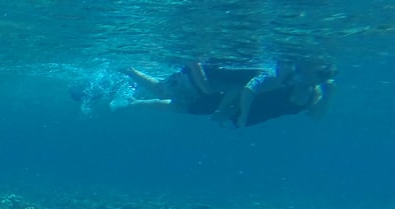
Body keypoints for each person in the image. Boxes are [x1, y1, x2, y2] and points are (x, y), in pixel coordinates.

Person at [114, 59, 334, 127]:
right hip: (215, 86)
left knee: (182, 107)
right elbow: (242, 88)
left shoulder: (314, 93)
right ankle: (127, 68)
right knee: (163, 91)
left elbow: (315, 116)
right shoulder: (279, 80)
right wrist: (235, 114)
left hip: (226, 104)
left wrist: (329, 92)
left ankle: (133, 102)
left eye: (322, 75)